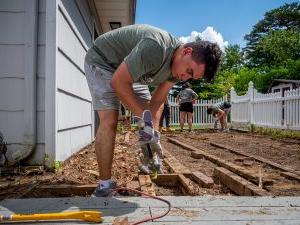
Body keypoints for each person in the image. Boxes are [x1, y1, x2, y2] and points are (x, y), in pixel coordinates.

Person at [84, 24, 221, 197]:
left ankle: (148, 160)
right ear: (186, 51)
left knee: (147, 120)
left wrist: (152, 135)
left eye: (191, 77)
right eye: (188, 71)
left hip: (131, 70)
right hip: (103, 61)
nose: (185, 78)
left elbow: (157, 102)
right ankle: (104, 186)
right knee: (109, 120)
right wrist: (146, 121)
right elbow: (118, 82)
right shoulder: (156, 48)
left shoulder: (177, 69)